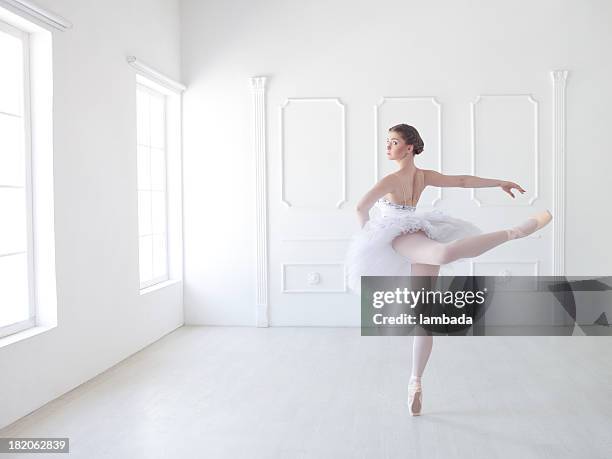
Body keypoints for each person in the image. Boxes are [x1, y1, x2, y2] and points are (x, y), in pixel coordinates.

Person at [344, 123, 552, 416]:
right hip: (396, 237)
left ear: (410, 147)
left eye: (393, 142)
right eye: (387, 142)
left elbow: (463, 181)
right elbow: (359, 209)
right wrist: (370, 242)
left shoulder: (419, 176)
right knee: (442, 253)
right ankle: (515, 232)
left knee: (424, 314)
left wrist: (499, 182)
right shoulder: (392, 179)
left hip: (414, 232)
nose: (388, 147)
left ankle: (415, 381)